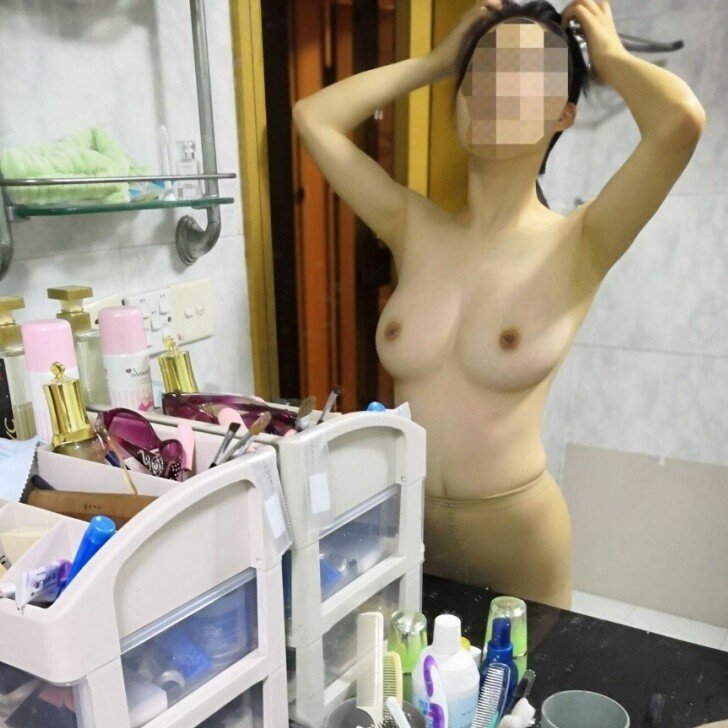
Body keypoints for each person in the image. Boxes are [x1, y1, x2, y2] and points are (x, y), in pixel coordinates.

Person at [292, 0, 705, 608]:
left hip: (520, 542)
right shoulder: (413, 227)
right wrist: (436, 61)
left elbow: (679, 122)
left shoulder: (581, 241)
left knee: (529, 676)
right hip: (408, 528)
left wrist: (609, 57)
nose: (493, 90)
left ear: (563, 113)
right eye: (480, 72)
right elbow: (313, 117)